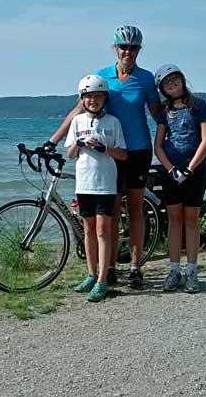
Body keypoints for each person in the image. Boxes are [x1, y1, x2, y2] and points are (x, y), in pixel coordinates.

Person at [46, 25, 162, 289]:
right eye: (123, 47)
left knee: (135, 208)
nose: (128, 52)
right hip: (108, 155)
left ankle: (135, 267)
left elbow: (158, 116)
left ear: (139, 50)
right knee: (109, 212)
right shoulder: (101, 77)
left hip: (137, 150)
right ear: (115, 49)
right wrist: (52, 141)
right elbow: (78, 111)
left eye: (133, 47)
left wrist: (182, 125)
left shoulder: (145, 79)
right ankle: (107, 269)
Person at [65, 75, 127, 302]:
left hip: (106, 183)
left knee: (103, 230)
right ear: (83, 99)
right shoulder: (77, 122)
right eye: (89, 97)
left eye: (98, 96)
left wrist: (104, 148)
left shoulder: (113, 122)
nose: (93, 100)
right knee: (88, 230)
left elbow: (123, 153)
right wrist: (79, 144)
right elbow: (70, 154)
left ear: (105, 99)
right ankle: (91, 275)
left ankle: (103, 280)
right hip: (84, 183)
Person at [153, 64, 206, 293]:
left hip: (194, 172)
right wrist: (171, 170)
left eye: (173, 79)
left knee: (191, 220)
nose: (171, 84)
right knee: (174, 221)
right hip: (171, 173)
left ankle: (192, 271)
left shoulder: (199, 105)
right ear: (163, 89)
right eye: (166, 83)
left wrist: (189, 168)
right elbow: (158, 146)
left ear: (182, 79)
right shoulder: (164, 111)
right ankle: (174, 270)